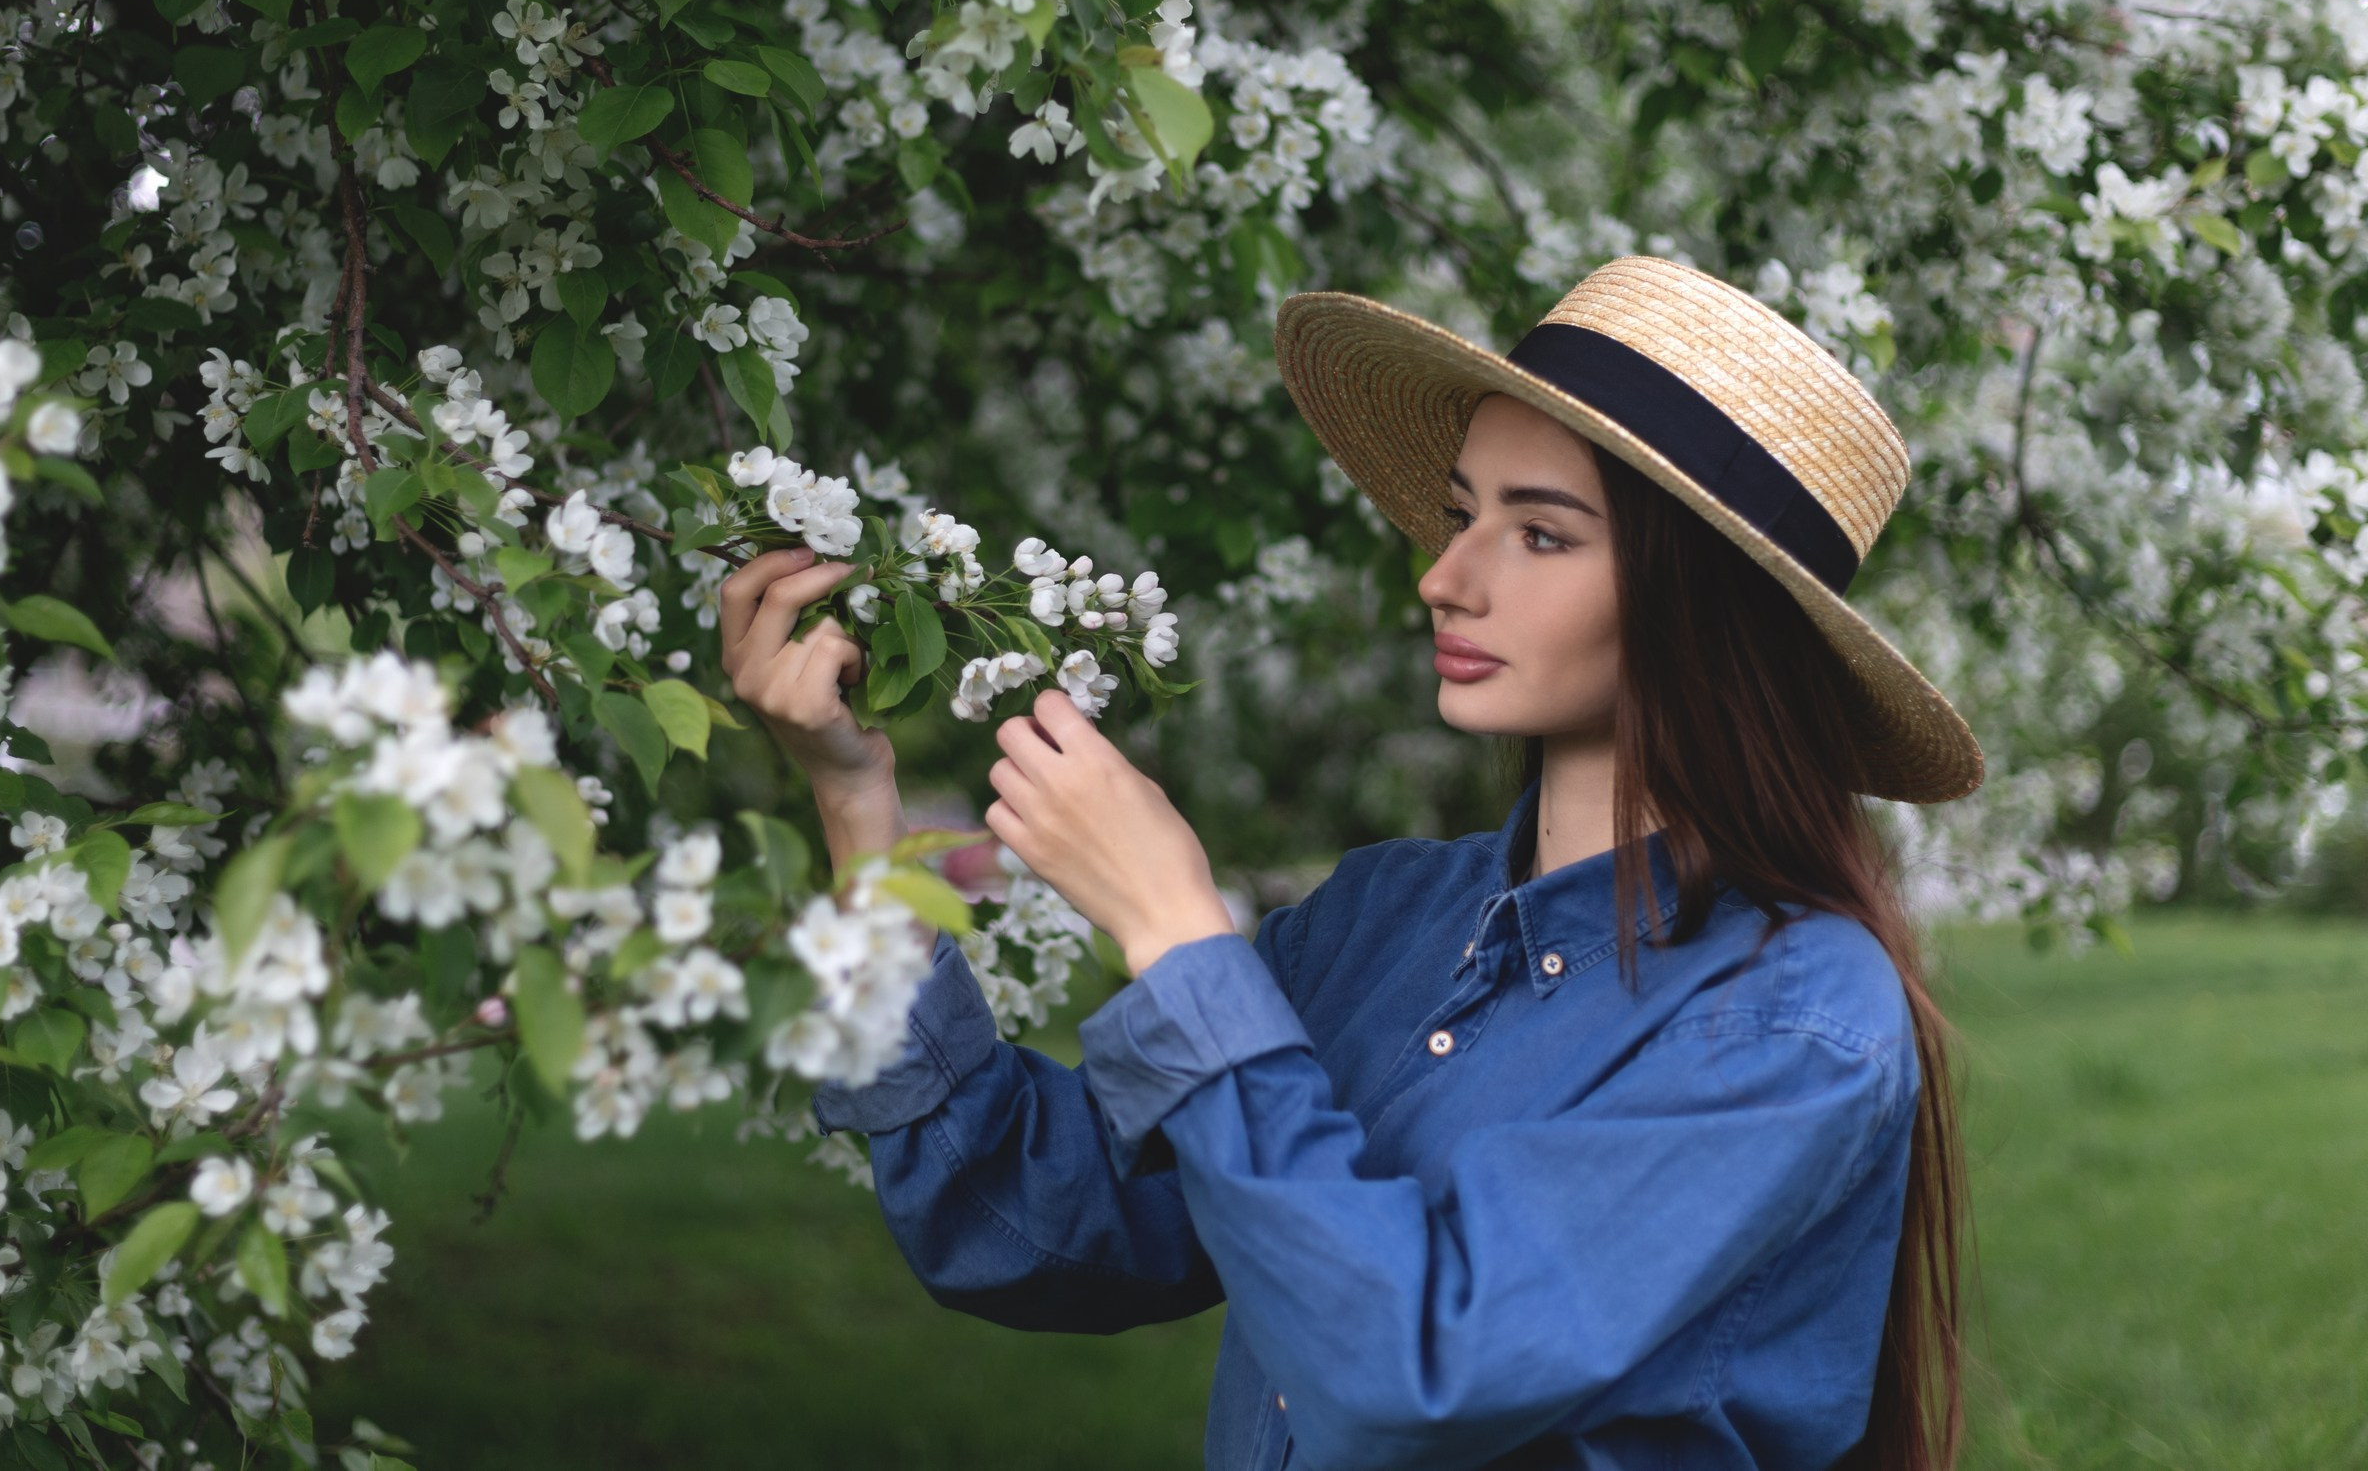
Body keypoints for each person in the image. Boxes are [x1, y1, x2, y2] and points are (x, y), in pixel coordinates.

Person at [716, 255, 1980, 1471]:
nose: (1443, 578)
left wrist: (1175, 931)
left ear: (1700, 603)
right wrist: (854, 805)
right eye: (1457, 515)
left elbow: (1413, 1377)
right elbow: (1020, 1222)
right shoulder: (1383, 921)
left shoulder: (1789, 1024)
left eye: (1541, 537)